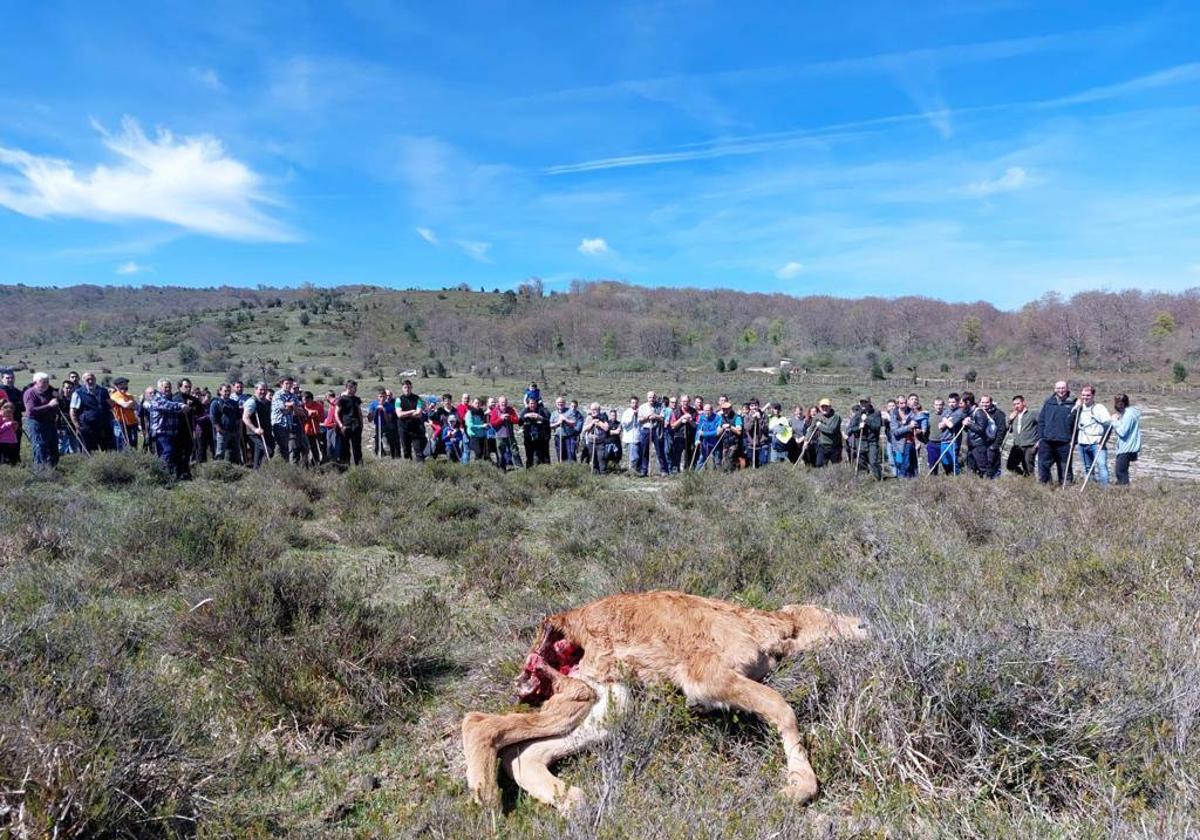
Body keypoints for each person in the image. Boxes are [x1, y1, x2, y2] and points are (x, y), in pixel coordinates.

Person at [149, 378, 190, 478]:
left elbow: (173, 409)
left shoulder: (170, 398)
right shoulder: (157, 398)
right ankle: (163, 475)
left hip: (172, 432)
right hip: (162, 432)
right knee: (168, 452)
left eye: (169, 387)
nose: (168, 389)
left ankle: (170, 475)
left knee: (171, 454)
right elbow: (168, 406)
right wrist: (181, 406)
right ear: (160, 388)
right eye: (165, 387)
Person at [1038, 380, 1077, 484]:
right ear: (1055, 389)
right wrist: (1041, 437)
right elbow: (1041, 420)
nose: (1061, 390)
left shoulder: (1074, 403)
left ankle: (1065, 486)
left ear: (1067, 389)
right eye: (1058, 388)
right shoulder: (1048, 402)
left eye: (1063, 388)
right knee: (1043, 464)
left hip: (1065, 441)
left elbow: (1076, 424)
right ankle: (1045, 485)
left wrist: (1074, 440)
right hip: (1047, 440)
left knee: (1064, 465)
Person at [69, 371, 115, 452]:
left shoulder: (103, 391)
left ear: (95, 379)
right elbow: (73, 411)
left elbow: (111, 406)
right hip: (88, 427)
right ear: (83, 381)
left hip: (104, 426)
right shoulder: (78, 393)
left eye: (92, 379)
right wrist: (77, 426)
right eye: (88, 379)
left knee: (109, 449)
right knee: (90, 451)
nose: (90, 381)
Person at [1075, 385, 1111, 487]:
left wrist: (1103, 441)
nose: (1085, 397)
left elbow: (1108, 424)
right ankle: (1091, 488)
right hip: (1082, 443)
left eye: (1088, 395)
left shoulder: (1099, 408)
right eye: (1083, 395)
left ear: (1093, 396)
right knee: (1087, 467)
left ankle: (1104, 490)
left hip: (1096, 443)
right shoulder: (1079, 408)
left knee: (1101, 466)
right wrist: (1075, 407)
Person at [23, 373, 60, 468]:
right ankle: (40, 472)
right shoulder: (30, 393)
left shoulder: (50, 392)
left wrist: (58, 397)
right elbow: (31, 411)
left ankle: (52, 470)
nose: (45, 384)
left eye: (47, 382)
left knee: (54, 448)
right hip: (36, 424)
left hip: (50, 423)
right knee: (40, 447)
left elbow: (59, 405)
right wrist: (49, 406)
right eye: (42, 382)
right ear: (35, 382)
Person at [270, 377, 304, 464]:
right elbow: (284, 410)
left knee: (289, 448)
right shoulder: (278, 395)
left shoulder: (292, 395)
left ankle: (284, 467)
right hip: (279, 425)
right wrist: (292, 406)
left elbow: (301, 412)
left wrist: (292, 406)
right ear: (281, 384)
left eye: (290, 384)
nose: (289, 386)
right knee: (280, 448)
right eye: (286, 383)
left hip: (289, 425)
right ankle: (275, 466)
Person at [848, 396, 882, 479]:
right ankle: (864, 479)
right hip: (860, 441)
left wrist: (867, 420)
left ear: (869, 402)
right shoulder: (857, 414)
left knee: (873, 461)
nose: (863, 404)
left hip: (872, 441)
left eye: (865, 402)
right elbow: (850, 429)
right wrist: (858, 427)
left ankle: (878, 478)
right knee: (861, 461)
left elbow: (877, 426)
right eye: (861, 402)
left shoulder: (876, 413)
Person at [1110, 394, 1141, 486]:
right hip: (1126, 446)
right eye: (1117, 403)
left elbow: (1122, 432)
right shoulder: (1126, 414)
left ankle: (1124, 492)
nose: (1118, 406)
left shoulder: (1129, 415)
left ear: (1124, 404)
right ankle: (1123, 489)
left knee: (1120, 471)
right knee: (1121, 471)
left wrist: (1114, 421)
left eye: (1120, 404)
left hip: (1127, 447)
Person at [210, 383, 244, 464]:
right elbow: (213, 418)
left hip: (234, 432)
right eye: (225, 391)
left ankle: (236, 470)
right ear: (220, 391)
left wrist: (239, 430)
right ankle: (218, 470)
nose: (227, 393)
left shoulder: (234, 403)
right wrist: (219, 430)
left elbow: (238, 417)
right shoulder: (216, 403)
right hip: (222, 432)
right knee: (220, 453)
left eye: (229, 391)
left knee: (235, 453)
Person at [931, 393, 964, 476]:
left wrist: (945, 420)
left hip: (953, 440)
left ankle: (957, 477)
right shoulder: (947, 411)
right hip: (944, 440)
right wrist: (947, 420)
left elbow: (951, 425)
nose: (951, 404)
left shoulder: (959, 412)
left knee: (953, 461)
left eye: (953, 402)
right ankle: (948, 475)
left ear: (958, 402)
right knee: (945, 461)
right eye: (949, 402)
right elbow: (940, 426)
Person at [242, 382, 273, 469]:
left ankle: (257, 471)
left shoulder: (266, 402)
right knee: (268, 450)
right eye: (261, 390)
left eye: (265, 390)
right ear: (255, 390)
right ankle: (263, 469)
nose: (263, 392)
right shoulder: (252, 402)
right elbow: (245, 418)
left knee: (259, 453)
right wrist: (255, 429)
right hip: (254, 433)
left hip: (265, 431)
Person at [1006, 395, 1039, 476]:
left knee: (1028, 467)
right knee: (1010, 465)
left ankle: (1030, 483)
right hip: (1017, 445)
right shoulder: (1015, 415)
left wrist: (1039, 441)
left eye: (1018, 403)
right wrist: (1010, 419)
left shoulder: (1032, 414)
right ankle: (1024, 476)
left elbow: (1042, 425)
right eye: (1014, 404)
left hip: (1030, 445)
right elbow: (1008, 429)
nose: (1016, 406)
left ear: (1023, 403)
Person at [394, 380, 426, 461]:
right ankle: (409, 468)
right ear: (402, 388)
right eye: (405, 387)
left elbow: (418, 413)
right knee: (406, 451)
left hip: (416, 428)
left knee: (418, 450)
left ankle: (421, 468)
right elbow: (399, 414)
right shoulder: (398, 400)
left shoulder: (418, 399)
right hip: (403, 428)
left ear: (411, 388)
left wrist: (405, 414)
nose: (407, 389)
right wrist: (412, 411)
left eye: (408, 387)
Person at [335, 380, 364, 466]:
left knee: (357, 448)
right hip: (345, 426)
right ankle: (345, 467)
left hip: (356, 426)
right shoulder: (341, 399)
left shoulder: (356, 399)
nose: (355, 390)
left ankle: (359, 468)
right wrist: (341, 425)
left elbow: (359, 412)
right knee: (345, 448)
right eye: (354, 388)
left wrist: (361, 424)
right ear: (348, 387)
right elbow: (336, 413)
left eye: (356, 388)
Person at [489, 396, 520, 470]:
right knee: (501, 454)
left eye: (505, 402)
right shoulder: (495, 411)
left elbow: (517, 420)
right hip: (500, 436)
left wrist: (510, 418)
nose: (504, 404)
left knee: (515, 451)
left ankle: (519, 468)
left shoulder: (510, 409)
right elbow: (492, 423)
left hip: (510, 435)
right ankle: (502, 470)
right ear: (499, 403)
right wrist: (501, 419)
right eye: (502, 402)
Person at [520, 396, 551, 467]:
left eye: (534, 403)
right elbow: (519, 422)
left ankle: (545, 470)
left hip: (541, 438)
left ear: (536, 403)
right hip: (528, 438)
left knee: (542, 456)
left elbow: (549, 421)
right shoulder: (526, 410)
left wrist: (540, 417)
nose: (532, 405)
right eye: (531, 403)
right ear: (528, 404)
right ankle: (529, 472)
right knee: (529, 456)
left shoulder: (542, 410)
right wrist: (526, 416)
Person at [109, 377, 139, 451]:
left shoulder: (129, 395)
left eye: (125, 384)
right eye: (121, 385)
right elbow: (125, 405)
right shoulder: (115, 395)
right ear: (116, 386)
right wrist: (131, 402)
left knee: (134, 442)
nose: (124, 387)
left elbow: (136, 407)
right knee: (123, 442)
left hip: (132, 422)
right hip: (121, 422)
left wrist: (130, 403)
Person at [369, 388, 400, 458]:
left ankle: (395, 455)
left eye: (383, 396)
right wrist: (375, 410)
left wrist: (384, 410)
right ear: (377, 397)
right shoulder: (373, 404)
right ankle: (379, 453)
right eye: (380, 396)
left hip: (387, 425)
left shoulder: (390, 406)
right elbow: (370, 419)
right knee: (377, 438)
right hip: (378, 425)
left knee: (392, 439)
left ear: (386, 397)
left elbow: (388, 420)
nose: (382, 398)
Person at [669, 394, 697, 472]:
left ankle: (687, 470)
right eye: (684, 401)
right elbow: (673, 425)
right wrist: (681, 419)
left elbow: (696, 426)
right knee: (677, 453)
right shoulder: (675, 411)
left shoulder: (693, 411)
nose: (685, 403)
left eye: (687, 401)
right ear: (681, 402)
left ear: (689, 402)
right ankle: (675, 469)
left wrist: (689, 420)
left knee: (689, 453)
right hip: (679, 435)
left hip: (690, 436)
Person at [812, 399, 842, 468]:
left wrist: (819, 425)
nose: (824, 408)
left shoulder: (836, 417)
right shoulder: (818, 416)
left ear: (830, 407)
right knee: (819, 465)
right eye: (823, 407)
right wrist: (806, 440)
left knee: (836, 467)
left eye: (826, 406)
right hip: (822, 446)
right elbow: (812, 428)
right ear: (820, 408)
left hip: (834, 446)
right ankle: (821, 478)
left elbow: (830, 430)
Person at [0, 369, 23, 462]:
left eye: (12, 378)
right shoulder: (1, 392)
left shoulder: (17, 392)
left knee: (16, 445)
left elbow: (23, 407)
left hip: (16, 422)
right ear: (2, 379)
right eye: (7, 378)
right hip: (2, 424)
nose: (10, 380)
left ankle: (15, 463)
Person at [580, 402, 610, 473]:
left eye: (595, 409)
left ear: (599, 410)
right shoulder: (589, 418)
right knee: (593, 459)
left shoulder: (603, 417)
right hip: (591, 442)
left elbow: (606, 428)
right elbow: (584, 429)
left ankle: (603, 473)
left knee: (601, 458)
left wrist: (599, 423)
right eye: (592, 409)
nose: (593, 411)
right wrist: (592, 423)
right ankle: (595, 474)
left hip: (600, 443)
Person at [550, 396, 581, 463]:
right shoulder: (554, 413)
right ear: (556, 404)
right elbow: (550, 425)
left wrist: (565, 419)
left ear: (564, 403)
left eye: (562, 402)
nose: (560, 404)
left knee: (571, 455)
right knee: (560, 455)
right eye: (558, 403)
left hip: (569, 437)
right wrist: (558, 423)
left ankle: (572, 470)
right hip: (558, 437)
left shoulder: (570, 411)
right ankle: (563, 470)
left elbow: (574, 422)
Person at [742, 398, 771, 468]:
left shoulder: (764, 416)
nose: (754, 407)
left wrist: (760, 419)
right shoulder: (746, 417)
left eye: (756, 405)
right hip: (751, 445)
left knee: (763, 464)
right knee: (752, 464)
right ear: (749, 407)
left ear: (758, 406)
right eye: (752, 406)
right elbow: (747, 428)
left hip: (762, 444)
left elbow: (766, 430)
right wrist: (752, 418)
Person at [695, 402, 722, 468]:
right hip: (705, 443)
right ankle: (696, 474)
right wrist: (696, 439)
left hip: (715, 442)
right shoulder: (702, 417)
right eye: (705, 410)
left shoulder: (718, 418)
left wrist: (704, 434)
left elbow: (717, 432)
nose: (706, 412)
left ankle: (719, 475)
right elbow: (699, 430)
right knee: (701, 459)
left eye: (708, 410)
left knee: (717, 460)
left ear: (712, 410)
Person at [302, 391, 325, 465]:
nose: (305, 402)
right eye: (303, 400)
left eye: (307, 401)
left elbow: (322, 419)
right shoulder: (301, 406)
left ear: (311, 399)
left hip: (316, 431)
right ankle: (307, 464)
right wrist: (307, 414)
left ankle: (318, 462)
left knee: (317, 448)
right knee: (307, 449)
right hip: (304, 431)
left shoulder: (318, 406)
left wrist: (316, 414)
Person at [465, 396, 489, 463]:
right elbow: (470, 426)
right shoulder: (469, 413)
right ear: (472, 403)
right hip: (474, 436)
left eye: (479, 403)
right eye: (476, 403)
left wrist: (486, 426)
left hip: (483, 436)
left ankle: (480, 468)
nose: (477, 405)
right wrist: (482, 426)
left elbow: (484, 422)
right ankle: (475, 468)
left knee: (482, 454)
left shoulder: (481, 412)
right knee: (477, 453)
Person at [0, 401, 18, 465]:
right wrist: (8, 424)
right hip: (3, 443)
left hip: (12, 442)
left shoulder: (10, 416)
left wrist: (14, 426)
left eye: (11, 407)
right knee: (4, 462)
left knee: (12, 462)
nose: (9, 409)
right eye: (6, 407)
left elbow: (12, 430)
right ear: (1, 407)